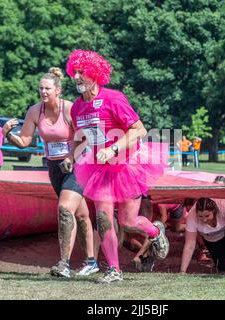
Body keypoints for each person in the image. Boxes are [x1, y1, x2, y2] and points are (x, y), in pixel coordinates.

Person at [66, 49, 169, 283]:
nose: (76, 77)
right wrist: (72, 156)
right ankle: (114, 270)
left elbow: (139, 130)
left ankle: (155, 231)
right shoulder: (77, 107)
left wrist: (113, 149)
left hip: (127, 166)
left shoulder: (113, 98)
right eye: (75, 72)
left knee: (127, 221)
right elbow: (82, 137)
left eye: (82, 72)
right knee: (103, 218)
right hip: (99, 169)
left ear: (94, 74)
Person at [2, 67, 97, 278]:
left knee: (64, 208)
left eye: (47, 88)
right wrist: (8, 135)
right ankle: (91, 261)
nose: (43, 92)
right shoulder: (35, 111)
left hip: (78, 164)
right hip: (55, 167)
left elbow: (86, 138)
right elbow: (24, 141)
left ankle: (64, 264)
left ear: (58, 90)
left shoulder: (70, 109)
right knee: (80, 215)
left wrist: (70, 157)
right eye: (41, 88)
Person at [180, 197, 225, 273]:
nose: (204, 220)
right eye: (200, 216)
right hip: (212, 239)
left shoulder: (223, 206)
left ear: (214, 211)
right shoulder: (192, 216)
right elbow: (190, 245)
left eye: (207, 216)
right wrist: (182, 271)